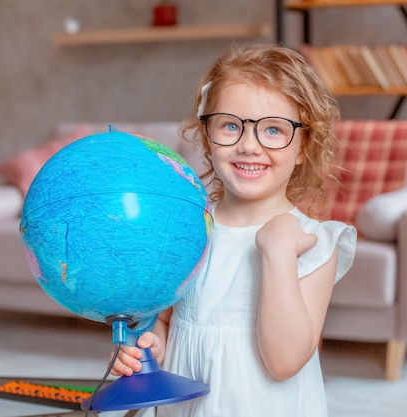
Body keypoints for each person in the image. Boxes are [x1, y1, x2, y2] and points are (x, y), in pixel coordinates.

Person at [111, 43, 357, 417]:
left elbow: (284, 361)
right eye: (230, 125)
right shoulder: (186, 229)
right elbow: (165, 319)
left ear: (304, 144)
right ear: (207, 134)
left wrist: (278, 251)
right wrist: (152, 348)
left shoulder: (313, 244)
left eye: (273, 129)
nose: (249, 145)